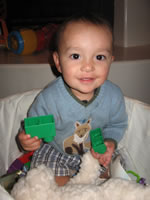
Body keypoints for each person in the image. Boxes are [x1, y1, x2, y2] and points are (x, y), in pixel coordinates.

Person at [17, 12, 128, 186]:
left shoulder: (113, 96)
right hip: (57, 151)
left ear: (110, 61)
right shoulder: (49, 98)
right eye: (76, 56)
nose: (88, 66)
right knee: (42, 178)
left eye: (99, 57)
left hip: (94, 152)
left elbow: (117, 124)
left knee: (118, 169)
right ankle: (72, 188)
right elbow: (34, 127)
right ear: (58, 62)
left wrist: (109, 142)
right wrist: (28, 140)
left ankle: (92, 186)